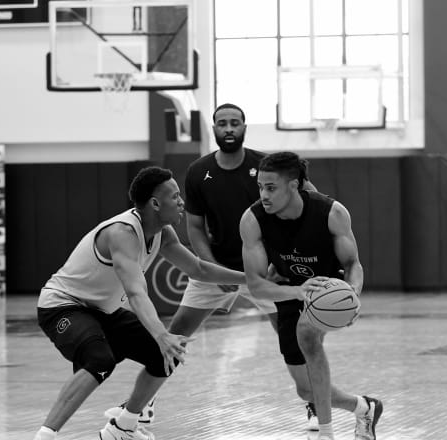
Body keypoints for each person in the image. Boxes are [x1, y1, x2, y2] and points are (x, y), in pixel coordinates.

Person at [104, 103, 322, 430]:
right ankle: (141, 406)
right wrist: (211, 267)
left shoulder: (265, 166)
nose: (229, 128)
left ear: (245, 127)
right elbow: (194, 228)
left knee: (291, 340)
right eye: (222, 123)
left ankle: (315, 407)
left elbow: (311, 198)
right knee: (174, 335)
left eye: (235, 123)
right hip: (216, 267)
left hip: (266, 271)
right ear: (215, 129)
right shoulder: (197, 172)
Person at [32, 166, 248, 440]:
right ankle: (45, 435)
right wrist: (160, 334)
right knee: (100, 359)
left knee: (167, 356)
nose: (182, 202)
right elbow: (136, 293)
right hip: (62, 306)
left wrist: (252, 279)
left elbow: (199, 270)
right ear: (155, 203)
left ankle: (123, 426)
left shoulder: (163, 232)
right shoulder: (122, 233)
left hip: (101, 311)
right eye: (175, 196)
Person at [239, 151, 383, 440]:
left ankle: (326, 434)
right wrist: (296, 291)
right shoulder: (253, 219)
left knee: (307, 337)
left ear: (293, 185)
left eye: (271, 188)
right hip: (287, 288)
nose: (263, 195)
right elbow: (255, 285)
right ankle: (363, 407)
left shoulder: (332, 213)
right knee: (305, 390)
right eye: (260, 188)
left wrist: (353, 294)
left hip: (329, 287)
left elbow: (353, 264)